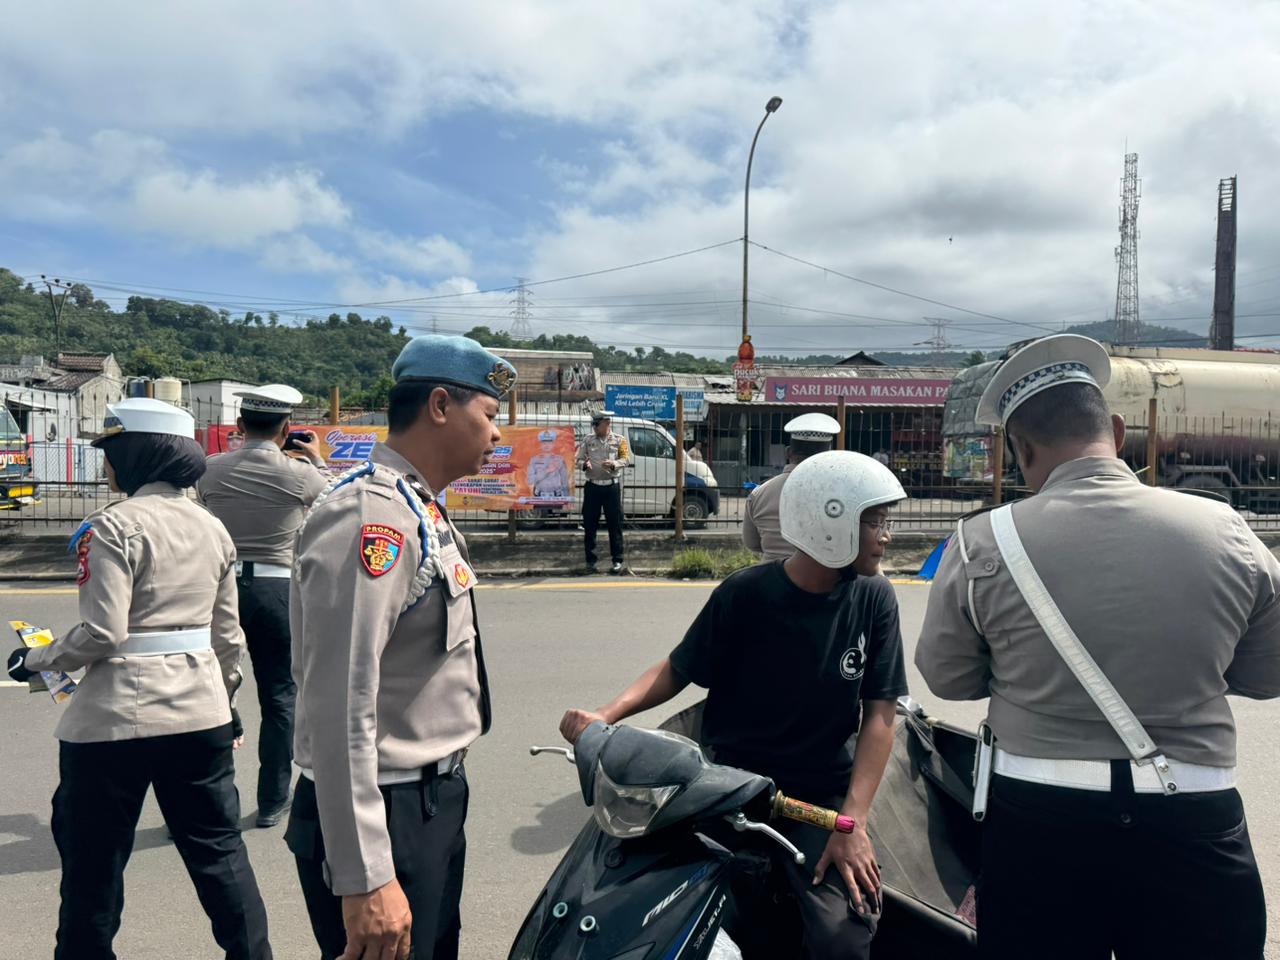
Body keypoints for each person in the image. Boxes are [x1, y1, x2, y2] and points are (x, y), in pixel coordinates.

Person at [915, 334, 1280, 960]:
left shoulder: (980, 542)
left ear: (1021, 450)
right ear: (1115, 429)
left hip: (1038, 822)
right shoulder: (1226, 529)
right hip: (1194, 816)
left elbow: (948, 678)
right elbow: (1268, 675)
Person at [560, 450, 909, 960]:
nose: (886, 536)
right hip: (725, 788)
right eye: (875, 522)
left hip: (819, 800)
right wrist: (604, 716)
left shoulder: (874, 598)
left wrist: (849, 824)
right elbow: (678, 668)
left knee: (843, 936)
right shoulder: (745, 594)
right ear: (829, 521)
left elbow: (880, 715)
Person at [6, 397, 272, 960]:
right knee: (220, 855)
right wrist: (225, 702)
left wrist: (37, 659)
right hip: (200, 714)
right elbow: (228, 638)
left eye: (111, 452)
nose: (106, 464)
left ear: (134, 455)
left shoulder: (112, 526)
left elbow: (102, 632)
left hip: (113, 723)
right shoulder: (212, 528)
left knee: (93, 867)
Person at [285, 335, 515, 960]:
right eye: (489, 414)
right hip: (386, 809)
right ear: (440, 406)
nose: (497, 433)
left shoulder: (417, 507)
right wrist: (365, 875)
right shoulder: (371, 517)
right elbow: (339, 701)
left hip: (426, 801)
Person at [196, 383, 328, 828]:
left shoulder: (209, 469)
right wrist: (315, 459)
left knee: (211, 694)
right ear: (287, 429)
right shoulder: (300, 474)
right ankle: (272, 801)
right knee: (279, 697)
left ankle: (208, 803)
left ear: (239, 425)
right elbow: (335, 501)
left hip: (219, 591)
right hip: (277, 592)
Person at [742, 412, 840, 561]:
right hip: (823, 573)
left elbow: (752, 544)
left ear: (788, 452)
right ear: (828, 454)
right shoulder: (839, 493)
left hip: (770, 573)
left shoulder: (759, 494)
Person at [576, 409, 631, 574]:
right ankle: (590, 562)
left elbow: (626, 459)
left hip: (611, 487)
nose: (594, 427)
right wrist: (584, 465)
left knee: (615, 525)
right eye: (593, 424)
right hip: (592, 486)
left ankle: (617, 560)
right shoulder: (588, 440)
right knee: (590, 525)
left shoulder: (619, 440)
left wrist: (614, 464)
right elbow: (578, 459)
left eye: (597, 424)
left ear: (607, 424)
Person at [527, 428, 570, 500]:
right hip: (539, 497)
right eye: (544, 443)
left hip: (557, 497)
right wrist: (547, 471)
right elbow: (530, 481)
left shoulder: (560, 459)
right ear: (540, 444)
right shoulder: (534, 460)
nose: (546, 445)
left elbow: (565, 481)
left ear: (553, 444)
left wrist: (567, 498)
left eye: (549, 442)